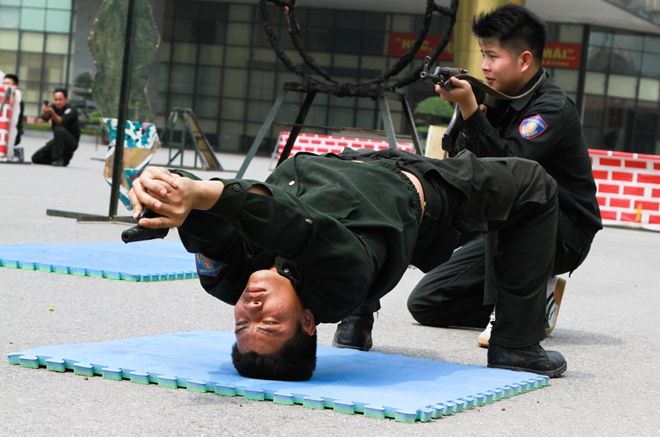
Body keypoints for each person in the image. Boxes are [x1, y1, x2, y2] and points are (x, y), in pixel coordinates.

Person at [129, 146, 568, 381]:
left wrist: (168, 193)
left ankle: (361, 316)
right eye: (268, 326)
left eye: (242, 325)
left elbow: (212, 230)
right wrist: (208, 192)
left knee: (347, 256)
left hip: (355, 171)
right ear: (306, 323)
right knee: (535, 186)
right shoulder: (335, 286)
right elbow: (299, 230)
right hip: (421, 192)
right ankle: (515, 342)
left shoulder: (229, 284)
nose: (251, 311)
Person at [402, 4, 602, 348]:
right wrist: (471, 114)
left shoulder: (549, 109)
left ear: (524, 60)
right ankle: (533, 303)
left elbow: (509, 173)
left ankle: (508, 318)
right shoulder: (497, 97)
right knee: (427, 303)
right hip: (513, 225)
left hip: (564, 231)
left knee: (506, 205)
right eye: (483, 54)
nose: (484, 66)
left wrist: (470, 110)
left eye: (493, 56)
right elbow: (470, 169)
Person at [31, 87, 80, 167]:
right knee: (36, 158)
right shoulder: (53, 107)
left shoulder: (71, 109)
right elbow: (45, 118)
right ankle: (62, 160)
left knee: (58, 129)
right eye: (56, 99)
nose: (58, 102)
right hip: (58, 141)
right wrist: (45, 111)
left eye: (60, 99)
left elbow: (60, 122)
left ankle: (57, 159)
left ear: (66, 99)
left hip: (71, 142)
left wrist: (51, 112)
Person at [2, 74, 25, 162]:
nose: (5, 86)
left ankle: (15, 151)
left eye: (8, 83)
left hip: (12, 133)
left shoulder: (17, 101)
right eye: (4, 83)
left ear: (15, 86)